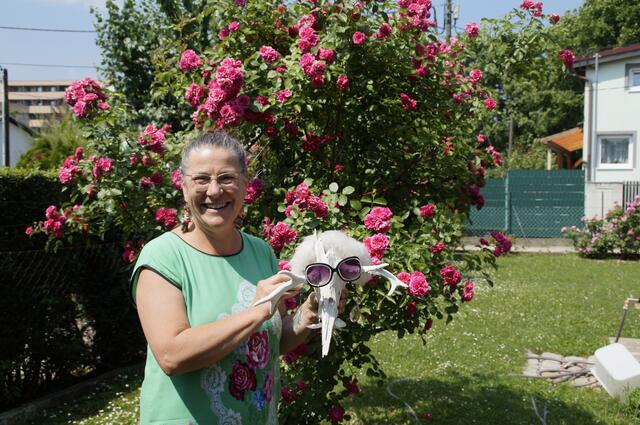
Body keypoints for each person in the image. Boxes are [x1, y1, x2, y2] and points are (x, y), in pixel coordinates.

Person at [132, 131, 327, 424]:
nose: (214, 191)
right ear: (183, 186)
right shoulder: (163, 256)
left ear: (245, 185)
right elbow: (172, 355)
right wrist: (258, 310)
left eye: (226, 178)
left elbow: (273, 340)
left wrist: (312, 309)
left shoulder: (261, 252)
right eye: (201, 179)